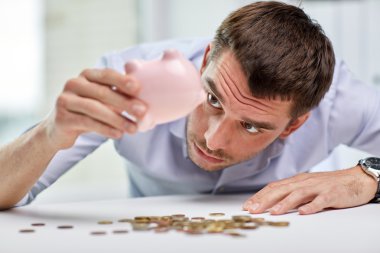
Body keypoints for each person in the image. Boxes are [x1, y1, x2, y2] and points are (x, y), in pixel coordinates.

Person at [0, 1, 379, 215]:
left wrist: (368, 176)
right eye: (213, 99)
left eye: (251, 126)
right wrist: (48, 135)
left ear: (295, 125)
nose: (212, 140)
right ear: (205, 61)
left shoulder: (341, 103)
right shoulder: (130, 80)